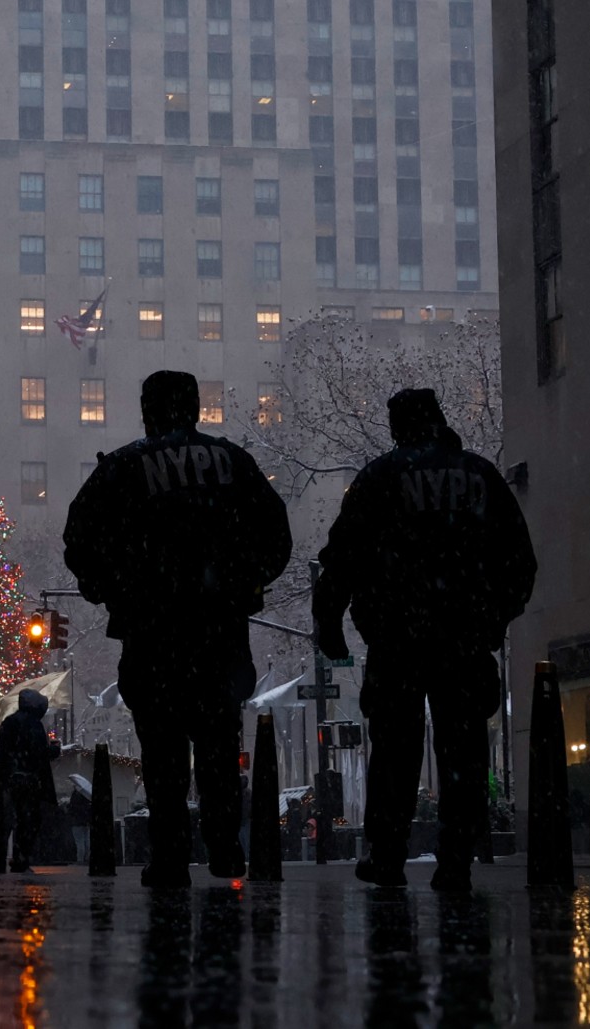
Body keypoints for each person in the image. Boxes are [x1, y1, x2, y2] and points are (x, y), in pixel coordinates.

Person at [63, 370, 292, 887]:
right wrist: (242, 584)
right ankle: (225, 848)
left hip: (153, 633)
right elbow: (276, 533)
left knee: (162, 751)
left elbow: (79, 538)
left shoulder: (123, 467)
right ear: (194, 408)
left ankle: (170, 855)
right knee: (217, 743)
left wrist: (111, 588)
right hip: (219, 633)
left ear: (149, 409)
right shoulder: (232, 463)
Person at [313, 387, 537, 892]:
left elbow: (343, 558)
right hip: (464, 640)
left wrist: (329, 623)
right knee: (464, 752)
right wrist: (492, 620)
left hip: (398, 640)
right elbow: (519, 562)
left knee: (394, 749)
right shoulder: (479, 476)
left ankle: (388, 855)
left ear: (399, 427)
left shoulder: (379, 478)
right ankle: (456, 857)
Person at [0, 689, 61, 873]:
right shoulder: (33, 724)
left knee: (5, 822)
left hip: (8, 779)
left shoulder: (10, 722)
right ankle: (20, 860)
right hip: (28, 780)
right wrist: (52, 751)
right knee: (28, 821)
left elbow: (3, 754)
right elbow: (37, 753)